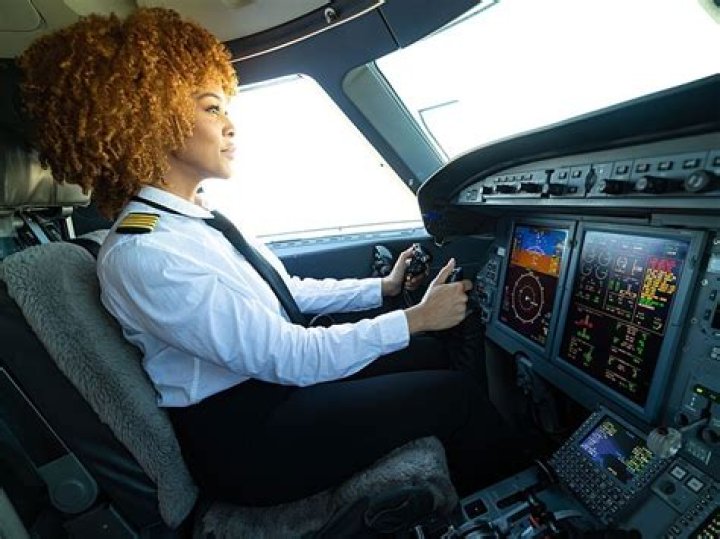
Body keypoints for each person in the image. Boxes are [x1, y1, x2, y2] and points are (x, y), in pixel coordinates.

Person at [18, 7, 516, 506]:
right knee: (453, 396)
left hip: (272, 391)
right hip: (249, 440)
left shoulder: (193, 221)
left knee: (428, 353)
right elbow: (288, 356)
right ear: (148, 122)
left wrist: (382, 289)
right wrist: (415, 317)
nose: (230, 125)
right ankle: (510, 508)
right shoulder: (144, 252)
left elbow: (283, 292)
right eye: (211, 109)